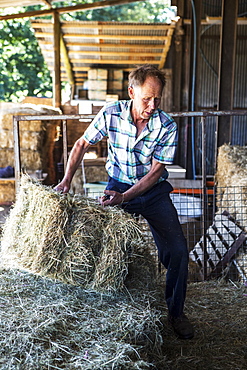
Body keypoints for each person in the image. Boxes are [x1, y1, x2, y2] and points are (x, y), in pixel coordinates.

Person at [55, 64, 194, 340]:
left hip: (152, 192)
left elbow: (156, 172)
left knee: (177, 251)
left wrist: (127, 197)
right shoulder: (111, 114)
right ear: (132, 92)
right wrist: (66, 179)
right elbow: (82, 143)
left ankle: (176, 313)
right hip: (117, 185)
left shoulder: (166, 125)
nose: (152, 105)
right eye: (146, 99)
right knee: (107, 251)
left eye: (157, 99)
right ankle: (106, 312)